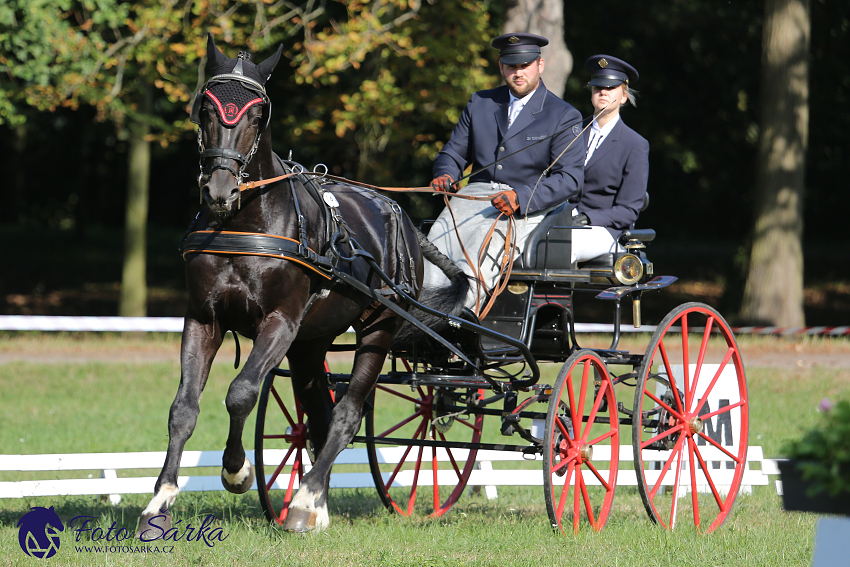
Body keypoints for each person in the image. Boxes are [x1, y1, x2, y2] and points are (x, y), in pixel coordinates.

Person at [424, 32, 585, 313]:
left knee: (480, 252)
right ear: (501, 67)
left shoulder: (563, 115)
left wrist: (520, 198)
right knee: (436, 243)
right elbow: (453, 152)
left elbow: (569, 179)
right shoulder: (481, 103)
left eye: (525, 65)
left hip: (526, 206)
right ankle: (421, 307)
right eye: (511, 66)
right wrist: (446, 173)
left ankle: (458, 315)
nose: (518, 72)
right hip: (472, 198)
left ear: (540, 65)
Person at [570, 54, 649, 263]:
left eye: (610, 88)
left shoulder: (634, 144)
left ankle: (552, 297)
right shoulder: (572, 133)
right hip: (561, 220)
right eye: (597, 87)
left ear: (623, 96)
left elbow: (629, 210)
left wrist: (588, 218)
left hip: (604, 230)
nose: (603, 91)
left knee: (561, 244)